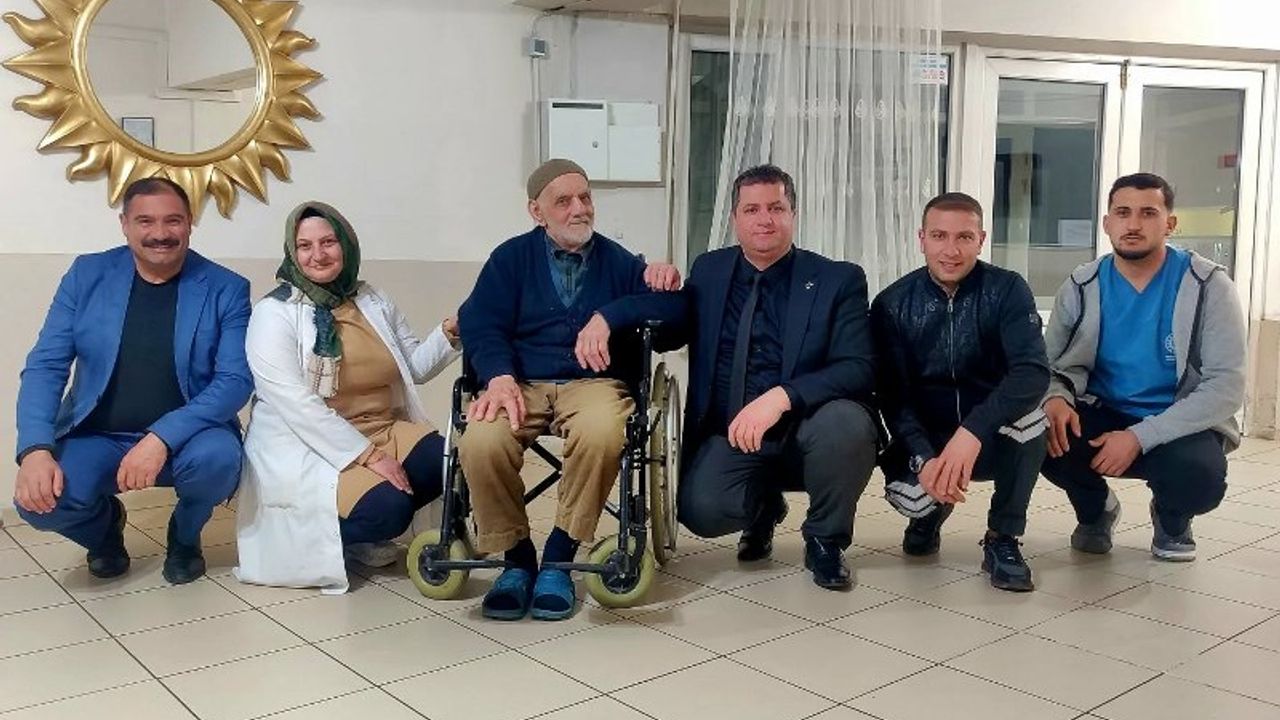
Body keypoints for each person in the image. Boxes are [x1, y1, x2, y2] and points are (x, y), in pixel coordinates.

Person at [457, 159, 684, 620]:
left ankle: (559, 555)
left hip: (593, 384)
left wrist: (610, 315)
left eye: (585, 197)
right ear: (536, 211)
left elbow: (677, 318)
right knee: (480, 439)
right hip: (519, 382)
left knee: (603, 431)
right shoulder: (510, 259)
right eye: (563, 201)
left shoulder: (619, 261)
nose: (579, 208)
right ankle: (517, 558)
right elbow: (479, 321)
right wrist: (498, 374)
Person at [13, 177, 252, 584]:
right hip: (99, 434)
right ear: (124, 224)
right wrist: (35, 448)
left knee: (219, 460)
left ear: (190, 223)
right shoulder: (86, 275)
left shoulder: (226, 288)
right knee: (39, 501)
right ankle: (104, 530)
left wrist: (161, 437)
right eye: (145, 221)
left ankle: (185, 536)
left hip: (190, 438)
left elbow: (234, 380)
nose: (160, 233)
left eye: (173, 220)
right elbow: (46, 366)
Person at [234, 202, 461, 593]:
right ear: (291, 251)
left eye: (328, 242)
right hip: (310, 444)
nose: (318, 254)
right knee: (389, 509)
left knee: (449, 463)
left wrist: (452, 330)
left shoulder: (370, 299)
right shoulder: (274, 313)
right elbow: (297, 406)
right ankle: (335, 539)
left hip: (382, 427)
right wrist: (369, 457)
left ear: (347, 244)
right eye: (305, 246)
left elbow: (413, 366)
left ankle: (363, 527)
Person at [674, 164, 879, 591]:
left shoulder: (836, 279)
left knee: (848, 425)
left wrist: (782, 396)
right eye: (752, 209)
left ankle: (824, 541)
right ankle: (764, 508)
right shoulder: (709, 271)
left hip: (809, 426)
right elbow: (670, 330)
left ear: (793, 214)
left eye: (776, 208)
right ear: (735, 218)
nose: (764, 219)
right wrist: (646, 288)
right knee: (700, 512)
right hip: (731, 429)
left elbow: (858, 367)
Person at [1040, 173, 1246, 562]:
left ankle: (1172, 517)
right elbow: (1050, 367)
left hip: (1177, 420)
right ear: (1107, 223)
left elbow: (1226, 387)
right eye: (1123, 213)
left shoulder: (1208, 285)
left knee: (1199, 476)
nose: (1133, 224)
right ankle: (1095, 510)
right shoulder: (1083, 285)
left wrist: (1138, 436)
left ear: (1170, 223)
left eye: (1148, 213)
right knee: (1041, 434)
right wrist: (1055, 399)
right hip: (1102, 411)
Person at [872, 192, 1049, 591]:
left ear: (981, 240)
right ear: (921, 239)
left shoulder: (1007, 289)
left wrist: (972, 431)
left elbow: (1032, 372)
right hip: (929, 441)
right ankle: (929, 515)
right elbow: (892, 397)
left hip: (987, 437)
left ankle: (1003, 537)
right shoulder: (892, 304)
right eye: (939, 236)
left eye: (964, 237)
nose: (951, 251)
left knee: (1032, 419)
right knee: (914, 499)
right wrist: (923, 456)